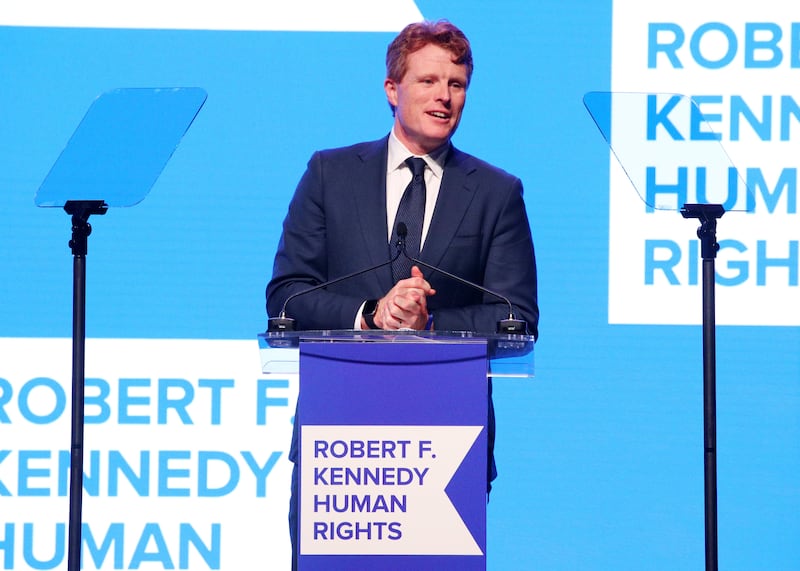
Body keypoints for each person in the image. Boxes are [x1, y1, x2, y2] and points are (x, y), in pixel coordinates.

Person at [266, 19, 538, 567]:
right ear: (393, 89)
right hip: (339, 445)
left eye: (456, 84)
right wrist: (371, 314)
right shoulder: (330, 174)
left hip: (447, 445)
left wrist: (428, 326)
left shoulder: (496, 191)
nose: (444, 97)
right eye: (428, 81)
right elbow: (287, 299)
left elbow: (517, 317)